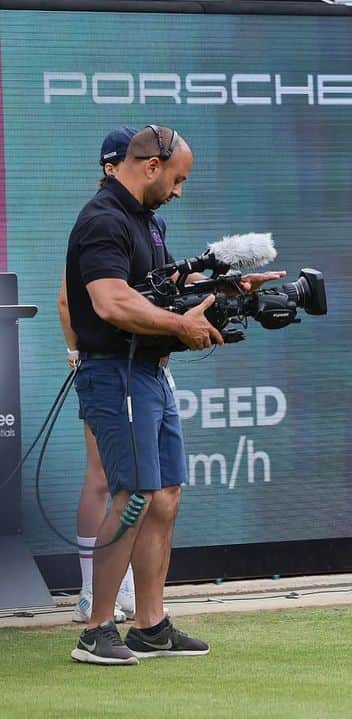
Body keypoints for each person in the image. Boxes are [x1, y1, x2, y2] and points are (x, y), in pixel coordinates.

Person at [66, 125, 284, 665]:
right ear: (150, 166)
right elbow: (112, 302)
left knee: (164, 496)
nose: (180, 191)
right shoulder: (102, 220)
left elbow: (162, 289)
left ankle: (150, 625)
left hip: (150, 373)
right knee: (134, 494)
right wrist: (177, 324)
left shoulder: (148, 221)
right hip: (116, 373)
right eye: (178, 179)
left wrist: (232, 289)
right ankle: (96, 629)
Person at [58, 127, 139, 625]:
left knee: (137, 482)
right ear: (111, 168)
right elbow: (69, 297)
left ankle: (121, 591)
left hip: (139, 368)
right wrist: (76, 353)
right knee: (104, 476)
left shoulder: (138, 221)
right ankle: (91, 594)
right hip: (102, 367)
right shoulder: (100, 219)